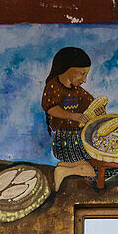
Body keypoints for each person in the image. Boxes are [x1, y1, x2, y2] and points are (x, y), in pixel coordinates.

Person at [41, 47, 96, 191]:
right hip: (65, 141)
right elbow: (50, 108)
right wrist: (73, 116)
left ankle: (66, 166)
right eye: (82, 74)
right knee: (95, 171)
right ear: (68, 69)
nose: (84, 80)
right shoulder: (53, 86)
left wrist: (97, 111)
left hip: (80, 139)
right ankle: (66, 170)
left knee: (105, 166)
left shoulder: (78, 91)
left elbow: (91, 104)